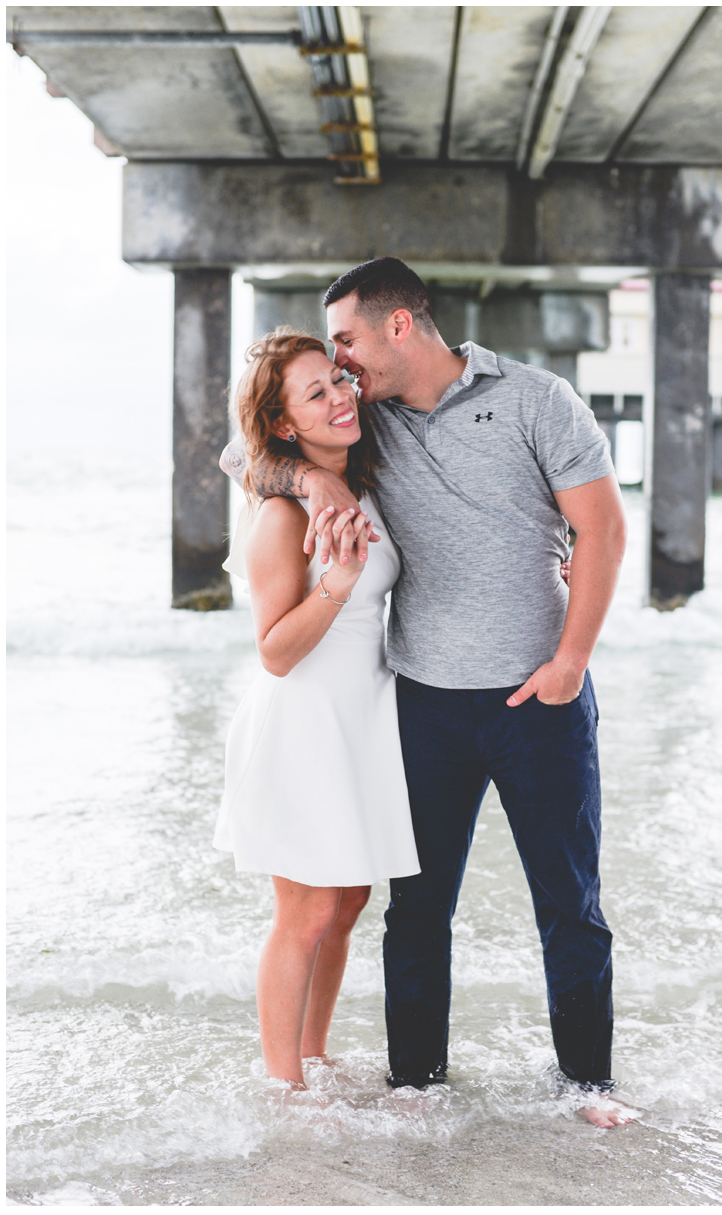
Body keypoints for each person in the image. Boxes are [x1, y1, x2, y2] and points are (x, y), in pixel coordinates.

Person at [221, 257, 633, 1128]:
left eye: (348, 345)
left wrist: (571, 659)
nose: (343, 369)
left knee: (569, 902)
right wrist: (313, 478)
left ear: (398, 326)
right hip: (422, 704)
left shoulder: (536, 398)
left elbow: (602, 527)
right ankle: (417, 1086)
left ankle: (589, 1087)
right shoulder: (365, 422)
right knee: (415, 912)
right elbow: (247, 446)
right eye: (331, 361)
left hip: (541, 699)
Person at [214, 329, 421, 1090]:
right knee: (303, 913)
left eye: (338, 380)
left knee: (348, 901)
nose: (340, 397)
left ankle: (314, 1053)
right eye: (315, 393)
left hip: (363, 717)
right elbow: (274, 649)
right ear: (283, 424)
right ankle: (283, 1087)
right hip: (303, 722)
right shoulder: (280, 515)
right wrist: (336, 577)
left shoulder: (359, 476)